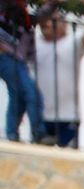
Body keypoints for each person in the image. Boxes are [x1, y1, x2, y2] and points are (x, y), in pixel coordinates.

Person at [33, 0, 84, 148]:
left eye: (55, 20)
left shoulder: (73, 43)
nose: (49, 24)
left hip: (68, 116)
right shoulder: (34, 45)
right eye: (48, 20)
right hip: (41, 116)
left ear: (64, 24)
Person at [0, 0, 44, 142]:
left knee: (18, 96)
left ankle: (12, 134)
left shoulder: (25, 19)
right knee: (30, 93)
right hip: (6, 57)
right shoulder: (9, 9)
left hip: (17, 61)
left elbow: (30, 53)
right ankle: (38, 133)